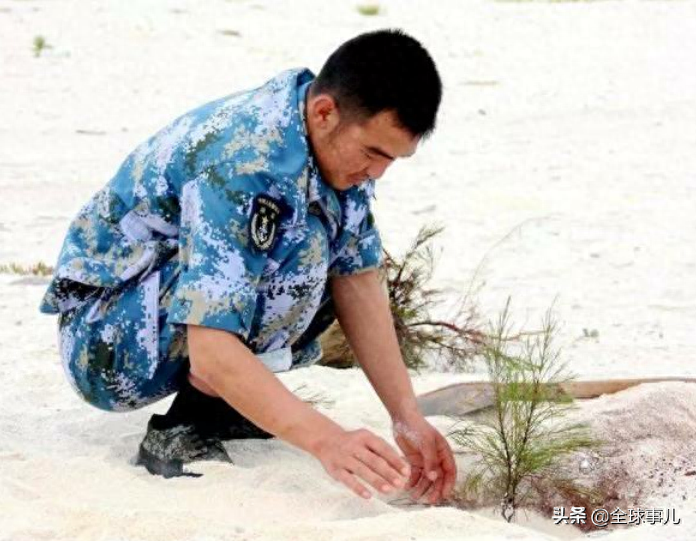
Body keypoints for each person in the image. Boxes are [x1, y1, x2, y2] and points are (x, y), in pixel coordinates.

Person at [40, 29, 456, 504]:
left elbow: (358, 280)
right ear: (324, 112)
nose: (377, 172)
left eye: (393, 159)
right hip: (104, 338)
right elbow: (212, 348)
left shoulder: (330, 145)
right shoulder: (244, 162)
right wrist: (327, 440)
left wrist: (407, 417)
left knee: (322, 256)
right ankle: (181, 429)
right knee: (299, 248)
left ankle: (228, 405)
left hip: (156, 309)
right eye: (373, 154)